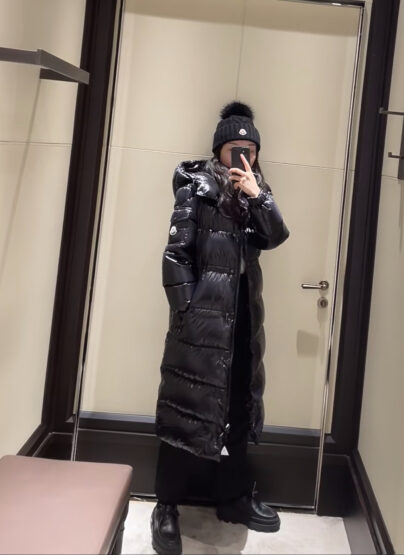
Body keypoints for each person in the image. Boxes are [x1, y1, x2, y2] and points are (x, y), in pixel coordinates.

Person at [151, 101, 290, 554]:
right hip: (200, 320)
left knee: (238, 407)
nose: (244, 157)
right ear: (219, 149)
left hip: (243, 315)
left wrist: (257, 195)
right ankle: (166, 505)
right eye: (236, 148)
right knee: (185, 407)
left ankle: (234, 497)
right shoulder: (197, 185)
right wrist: (187, 310)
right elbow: (176, 254)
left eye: (251, 149)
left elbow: (276, 236)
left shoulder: (256, 190)